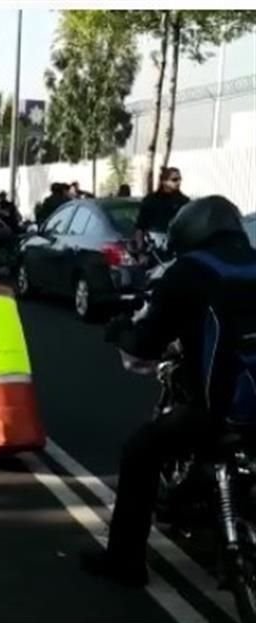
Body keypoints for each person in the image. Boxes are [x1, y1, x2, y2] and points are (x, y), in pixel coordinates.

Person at [82, 195, 256, 587]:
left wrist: (120, 331)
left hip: (221, 405)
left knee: (141, 450)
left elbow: (147, 345)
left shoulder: (190, 272)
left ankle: (125, 562)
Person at [134, 167, 189, 250]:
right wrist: (140, 249)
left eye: (180, 179)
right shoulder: (151, 200)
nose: (178, 182)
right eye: (174, 180)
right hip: (153, 246)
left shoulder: (184, 201)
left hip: (177, 247)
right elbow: (140, 227)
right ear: (164, 181)